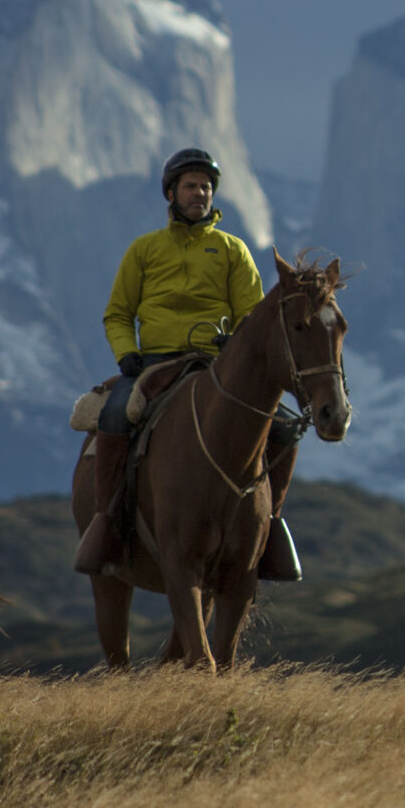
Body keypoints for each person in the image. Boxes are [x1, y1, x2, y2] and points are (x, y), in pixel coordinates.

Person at [75, 147, 301, 579]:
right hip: (154, 364)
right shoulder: (144, 250)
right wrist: (127, 354)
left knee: (285, 428)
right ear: (172, 194)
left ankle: (268, 528)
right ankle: (107, 520)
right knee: (116, 415)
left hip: (215, 365)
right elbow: (118, 312)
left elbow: (252, 318)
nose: (200, 193)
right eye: (191, 186)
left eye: (206, 187)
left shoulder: (232, 250)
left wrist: (233, 349)